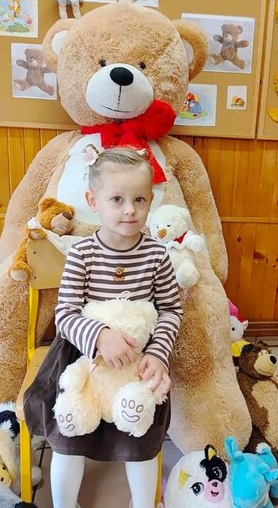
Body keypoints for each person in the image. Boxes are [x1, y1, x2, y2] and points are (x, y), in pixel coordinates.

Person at [24, 147, 183, 508]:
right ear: (93, 201)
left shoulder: (157, 255)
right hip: (83, 357)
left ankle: (142, 503)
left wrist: (158, 354)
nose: (129, 210)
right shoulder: (82, 253)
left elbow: (171, 311)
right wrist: (99, 336)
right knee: (69, 433)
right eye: (117, 199)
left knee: (141, 433)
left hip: (138, 358)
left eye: (139, 199)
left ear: (151, 200)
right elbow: (65, 314)